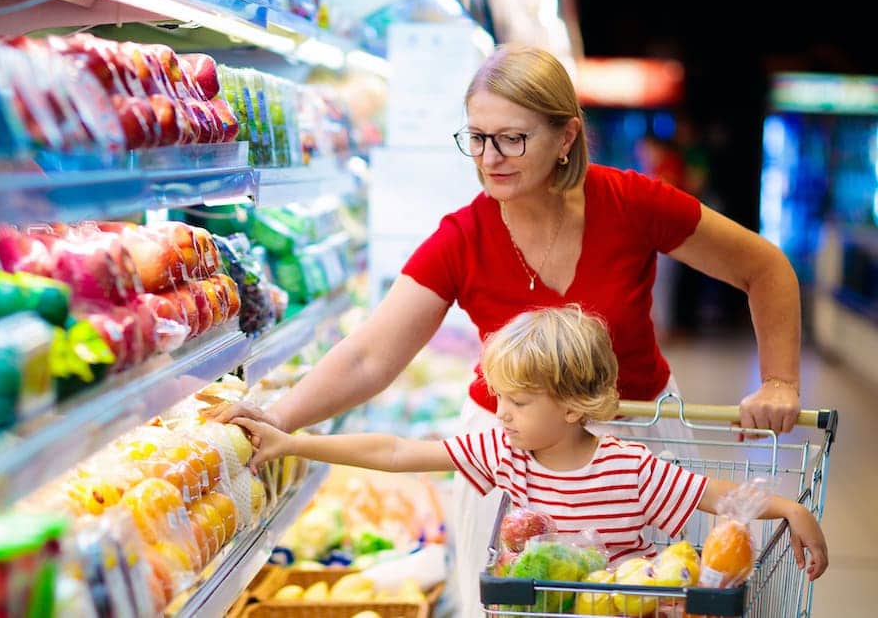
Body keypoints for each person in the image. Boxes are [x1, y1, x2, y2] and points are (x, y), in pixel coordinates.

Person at [206, 44, 804, 613]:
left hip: (637, 448)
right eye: (478, 138)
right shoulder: (463, 237)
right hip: (513, 455)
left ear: (565, 136)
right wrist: (279, 419)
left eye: (512, 138)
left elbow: (764, 267)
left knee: (647, 599)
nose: (491, 157)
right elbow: (369, 357)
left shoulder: (629, 203)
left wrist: (780, 380)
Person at [231, 306, 829, 584]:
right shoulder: (503, 451)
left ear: (572, 407)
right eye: (500, 399)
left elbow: (715, 496)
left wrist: (790, 508)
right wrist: (294, 442)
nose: (501, 413)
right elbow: (395, 452)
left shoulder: (630, 468)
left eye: (517, 402)